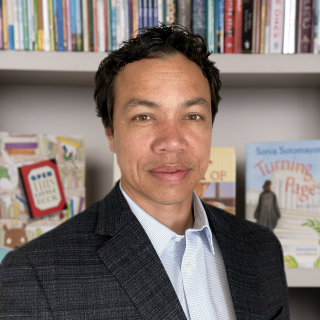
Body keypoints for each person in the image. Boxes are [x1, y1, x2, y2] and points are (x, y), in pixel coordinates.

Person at [0, 24, 289, 319]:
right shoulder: (34, 273)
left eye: (192, 116)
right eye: (144, 116)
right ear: (111, 133)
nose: (172, 142)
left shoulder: (262, 250)